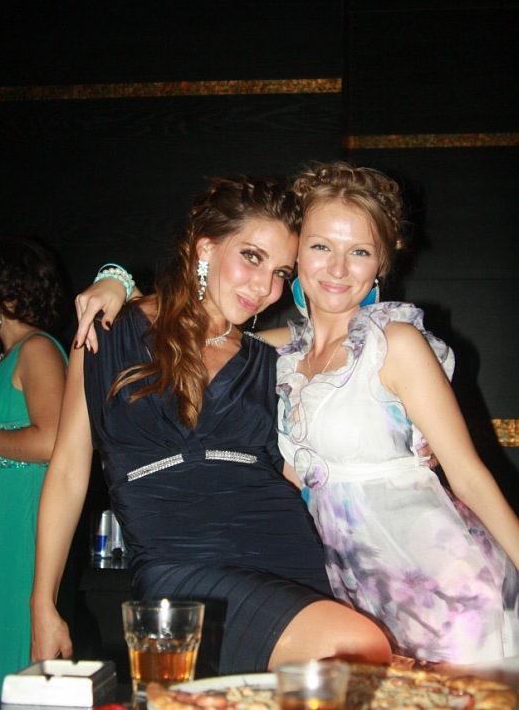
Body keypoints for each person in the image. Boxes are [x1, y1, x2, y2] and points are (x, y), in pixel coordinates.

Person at [76, 163, 519, 665]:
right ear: (299, 253)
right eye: (321, 246)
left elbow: (470, 477)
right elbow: (193, 332)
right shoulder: (280, 358)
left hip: (438, 581)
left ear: (381, 265)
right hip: (351, 586)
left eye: (360, 252)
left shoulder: (395, 344)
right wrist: (117, 280)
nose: (338, 268)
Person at [30, 177, 392, 677]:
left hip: (285, 552)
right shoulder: (108, 330)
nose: (265, 288)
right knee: (355, 644)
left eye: (281, 272)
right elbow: (69, 470)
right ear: (205, 247)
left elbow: (316, 442)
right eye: (252, 257)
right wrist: (42, 601)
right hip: (174, 565)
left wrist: (407, 445)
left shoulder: (269, 359)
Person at [0, 237, 68, 704]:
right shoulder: (10, 357)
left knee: (7, 668)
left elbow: (52, 442)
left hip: (15, 539)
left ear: (4, 294)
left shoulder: (38, 349)